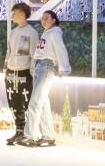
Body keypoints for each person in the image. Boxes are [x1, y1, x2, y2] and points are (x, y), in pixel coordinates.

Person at [19, 10, 71, 148]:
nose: (43, 20)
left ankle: (30, 136)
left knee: (35, 102)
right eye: (42, 18)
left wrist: (64, 68)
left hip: (46, 67)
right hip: (41, 67)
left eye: (47, 18)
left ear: (54, 20)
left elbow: (61, 49)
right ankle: (47, 136)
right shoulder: (48, 33)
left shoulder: (54, 33)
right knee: (42, 103)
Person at [5, 2, 38, 146]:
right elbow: (9, 51)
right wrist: (6, 68)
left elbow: (34, 55)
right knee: (13, 102)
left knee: (26, 102)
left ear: (23, 14)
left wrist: (32, 73)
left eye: (15, 13)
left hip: (25, 72)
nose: (12, 15)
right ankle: (18, 130)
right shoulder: (13, 32)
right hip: (11, 72)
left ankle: (28, 132)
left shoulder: (32, 32)